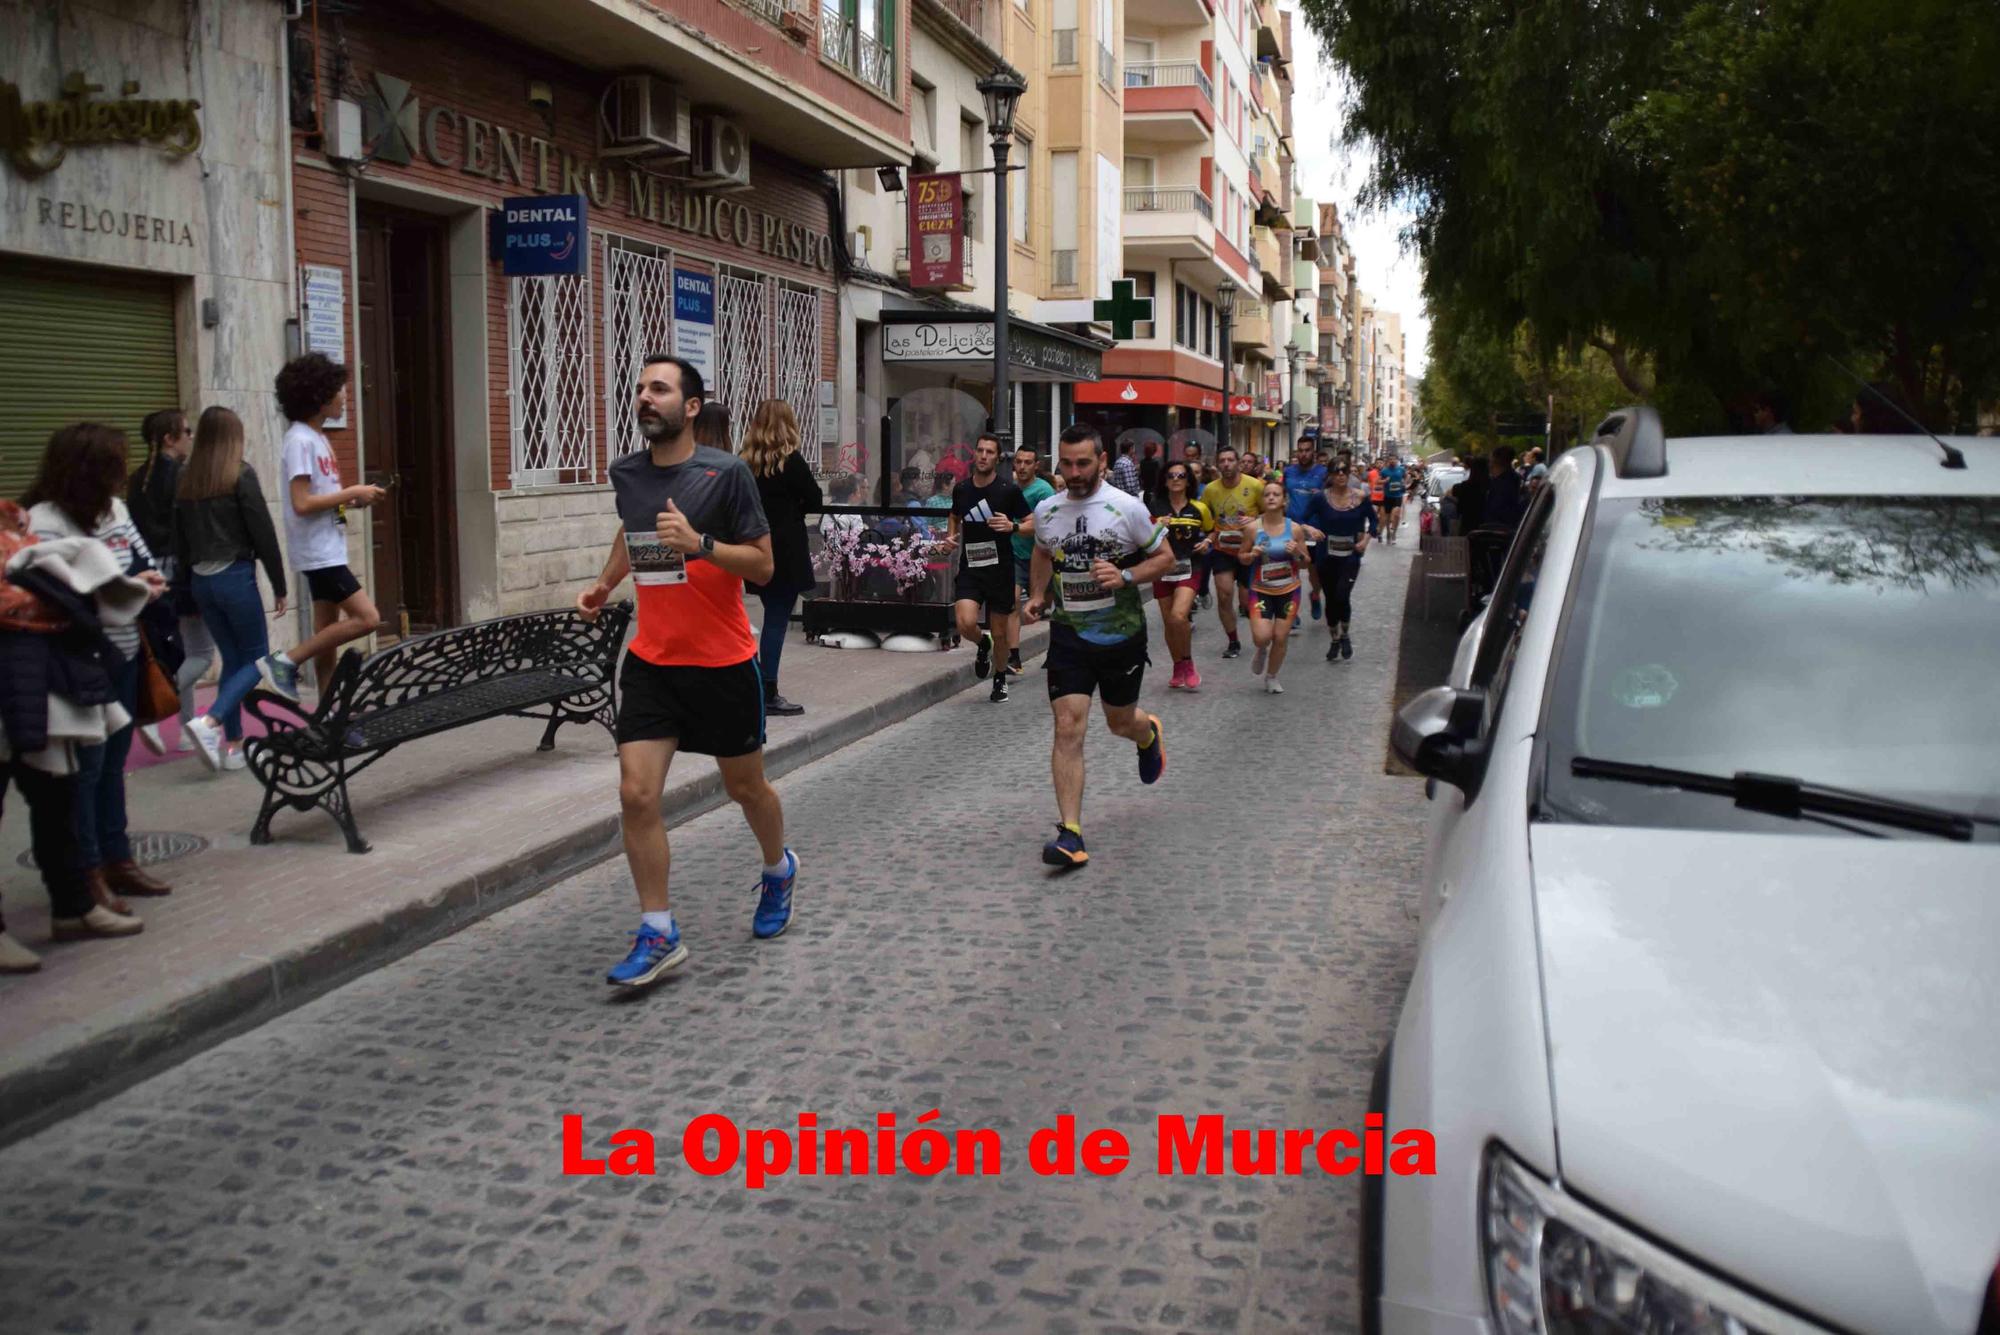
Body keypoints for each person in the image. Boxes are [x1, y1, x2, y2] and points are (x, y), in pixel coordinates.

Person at [576, 353, 795, 988]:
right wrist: (603, 583)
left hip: (723, 662)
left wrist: (699, 543)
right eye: (641, 388)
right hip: (653, 660)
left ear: (691, 407)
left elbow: (762, 566)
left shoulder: (727, 474)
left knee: (746, 789)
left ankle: (778, 869)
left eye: (660, 389)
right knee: (636, 794)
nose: (645, 398)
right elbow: (631, 530)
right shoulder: (628, 472)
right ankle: (659, 930)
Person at [22, 424, 173, 909]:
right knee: (84, 770)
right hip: (78, 661)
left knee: (113, 764)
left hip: (125, 652)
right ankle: (86, 873)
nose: (121, 475)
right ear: (87, 470)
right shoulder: (45, 522)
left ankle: (118, 858)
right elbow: (53, 595)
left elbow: (139, 561)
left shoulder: (116, 511)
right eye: (113, 464)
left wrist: (145, 581)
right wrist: (127, 589)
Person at [1022, 423, 1174, 870]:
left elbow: (1165, 559)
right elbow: (1043, 552)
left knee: (1119, 722)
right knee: (1068, 726)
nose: (1074, 472)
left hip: (1121, 635)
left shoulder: (1127, 509)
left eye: (1083, 463)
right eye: (1066, 463)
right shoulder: (1048, 511)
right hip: (1069, 635)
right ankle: (1070, 833)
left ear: (1102, 461)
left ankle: (1148, 734)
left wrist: (1126, 576)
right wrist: (1037, 596)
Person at [173, 407, 294, 772]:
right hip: (235, 576)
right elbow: (263, 532)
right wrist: (279, 583)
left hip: (201, 580)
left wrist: (185, 588)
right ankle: (211, 722)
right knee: (258, 660)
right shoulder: (240, 474)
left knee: (233, 659)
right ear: (232, 437)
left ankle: (236, 746)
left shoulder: (186, 478)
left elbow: (178, 540)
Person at [268, 353, 387, 701]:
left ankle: (327, 711)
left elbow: (320, 498)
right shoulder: (300, 440)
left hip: (328, 546)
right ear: (319, 397)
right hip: (318, 552)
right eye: (338, 390)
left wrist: (351, 500)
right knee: (367, 618)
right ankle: (284, 661)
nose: (345, 396)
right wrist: (350, 491)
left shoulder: (319, 439)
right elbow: (301, 502)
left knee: (326, 634)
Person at [124, 408, 215, 755]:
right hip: (180, 572)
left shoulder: (136, 479)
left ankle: (185, 730)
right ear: (169, 438)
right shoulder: (181, 475)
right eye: (187, 432)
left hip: (150, 574)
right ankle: (149, 709)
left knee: (183, 652)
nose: (191, 438)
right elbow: (190, 530)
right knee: (203, 654)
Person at [738, 399, 821, 719]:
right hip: (785, 549)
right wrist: (792, 510)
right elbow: (814, 498)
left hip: (753, 545)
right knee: (776, 620)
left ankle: (755, 684)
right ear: (788, 424)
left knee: (764, 616)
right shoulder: (791, 460)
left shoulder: (744, 462)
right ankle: (766, 689)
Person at [938, 433, 1033, 703]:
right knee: (965, 622)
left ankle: (1000, 677)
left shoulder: (1008, 490)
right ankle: (982, 643)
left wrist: (1013, 526)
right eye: (980, 451)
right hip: (971, 566)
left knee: (1002, 633)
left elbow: (1032, 523)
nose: (983, 456)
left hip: (1001, 569)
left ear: (998, 457)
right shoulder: (963, 489)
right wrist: (951, 537)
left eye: (989, 452)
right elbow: (955, 515)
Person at [1238, 480, 1325, 693]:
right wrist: (1253, 554)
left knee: (1280, 636)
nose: (1271, 498)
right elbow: (1241, 557)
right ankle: (1261, 649)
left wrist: (1296, 553)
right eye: (1267, 494)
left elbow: (1305, 562)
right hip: (1260, 590)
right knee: (1262, 637)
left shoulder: (1294, 529)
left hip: (1289, 590)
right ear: (1262, 500)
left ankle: (1272, 676)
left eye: (1276, 494)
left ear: (1284, 500)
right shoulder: (1252, 528)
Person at [1302, 463, 1379, 660]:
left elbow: (1374, 521)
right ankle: (1334, 639)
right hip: (1326, 556)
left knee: (1342, 595)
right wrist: (1310, 529)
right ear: (1331, 475)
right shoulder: (1321, 497)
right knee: (1331, 598)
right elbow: (1301, 519)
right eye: (1337, 471)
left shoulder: (1360, 497)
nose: (1341, 474)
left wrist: (1365, 541)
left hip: (1350, 556)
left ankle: (1345, 634)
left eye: (1345, 471)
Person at [1148, 461, 1212, 691]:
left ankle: (1188, 663)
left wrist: (1207, 541)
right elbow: (1143, 538)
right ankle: (1177, 666)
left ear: (1188, 480)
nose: (1176, 479)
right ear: (1164, 481)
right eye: (1171, 475)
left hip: (1190, 566)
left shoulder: (1199, 508)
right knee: (1169, 623)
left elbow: (1213, 530)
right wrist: (1156, 526)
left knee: (1178, 616)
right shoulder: (1154, 507)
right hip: (1162, 569)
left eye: (1181, 475)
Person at [1198, 446, 1264, 659]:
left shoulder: (1255, 486)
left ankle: (1262, 635)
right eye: (1222, 461)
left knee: (1246, 602)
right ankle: (1233, 641)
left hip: (1249, 550)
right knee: (1225, 595)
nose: (1226, 464)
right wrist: (1208, 537)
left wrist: (1255, 521)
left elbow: (1271, 513)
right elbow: (1205, 518)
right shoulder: (1210, 489)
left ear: (1238, 463)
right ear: (1218, 464)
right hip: (1222, 549)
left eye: (1230, 460)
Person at [1007, 444, 1055, 675]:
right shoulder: (1009, 489)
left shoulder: (1043, 491)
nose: (1022, 466)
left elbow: (1042, 526)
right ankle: (1014, 657)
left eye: (1028, 462)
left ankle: (1056, 649)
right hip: (1016, 556)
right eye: (1019, 461)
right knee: (1012, 601)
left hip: (1043, 556)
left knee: (1049, 604)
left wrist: (1013, 527)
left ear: (1036, 465)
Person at [1281, 437, 1328, 621]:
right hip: (1292, 527)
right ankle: (1292, 610)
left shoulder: (1323, 473)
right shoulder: (1289, 472)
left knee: (1314, 573)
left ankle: (1315, 595)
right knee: (1291, 569)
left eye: (1307, 450)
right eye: (1300, 450)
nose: (1303, 454)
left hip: (1314, 530)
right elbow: (1283, 496)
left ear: (1313, 452)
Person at [1378, 455, 1408, 544]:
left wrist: (1404, 483)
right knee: (1387, 517)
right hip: (1388, 496)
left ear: (1397, 460)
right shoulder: (1384, 471)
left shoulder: (1401, 469)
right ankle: (1388, 531)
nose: (1392, 461)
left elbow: (1406, 476)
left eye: (1394, 459)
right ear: (1388, 461)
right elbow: (1378, 481)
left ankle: (1394, 532)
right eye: (1390, 459)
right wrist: (1385, 481)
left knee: (1396, 514)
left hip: (1398, 496)